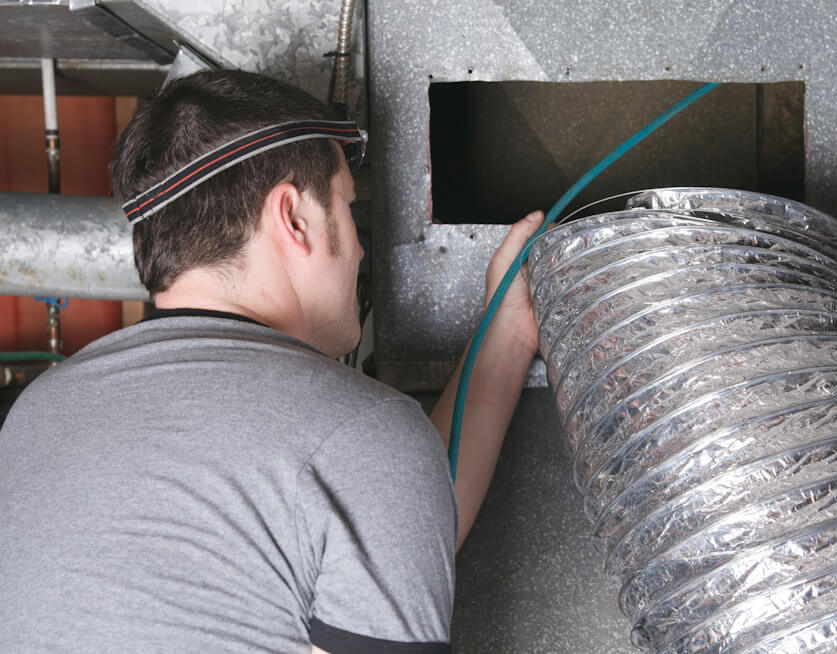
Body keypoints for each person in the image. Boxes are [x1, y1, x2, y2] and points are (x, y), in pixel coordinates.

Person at [0, 70, 543, 653]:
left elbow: (378, 537)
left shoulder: (34, 419)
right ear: (293, 218)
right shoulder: (358, 438)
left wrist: (506, 332)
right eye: (347, 209)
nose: (360, 248)